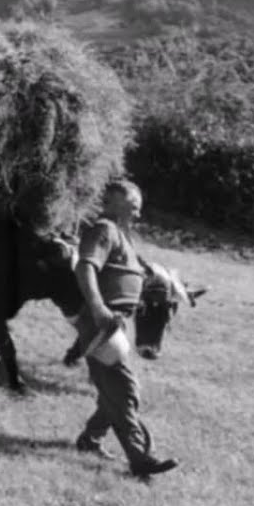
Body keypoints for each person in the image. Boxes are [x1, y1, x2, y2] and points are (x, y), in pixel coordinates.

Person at [71, 179, 179, 477]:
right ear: (113, 202)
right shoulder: (104, 229)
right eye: (133, 207)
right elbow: (85, 267)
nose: (137, 214)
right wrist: (97, 307)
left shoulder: (123, 236)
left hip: (117, 325)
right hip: (101, 323)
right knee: (125, 389)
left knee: (114, 390)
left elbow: (139, 275)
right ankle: (140, 457)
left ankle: (89, 440)